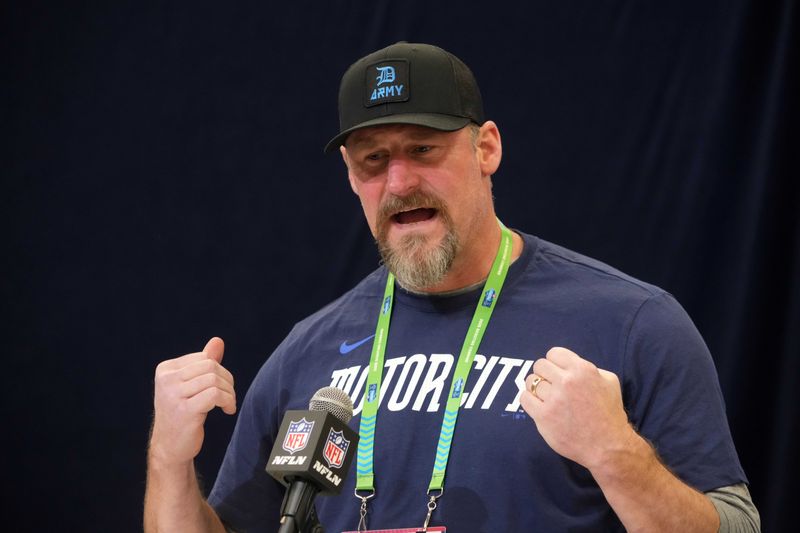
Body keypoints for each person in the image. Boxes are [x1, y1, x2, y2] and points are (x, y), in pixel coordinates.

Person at [144, 42, 760, 532]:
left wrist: (615, 454)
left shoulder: (632, 323)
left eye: (423, 148)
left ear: (485, 148)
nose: (400, 182)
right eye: (373, 160)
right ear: (350, 176)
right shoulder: (308, 352)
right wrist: (170, 460)